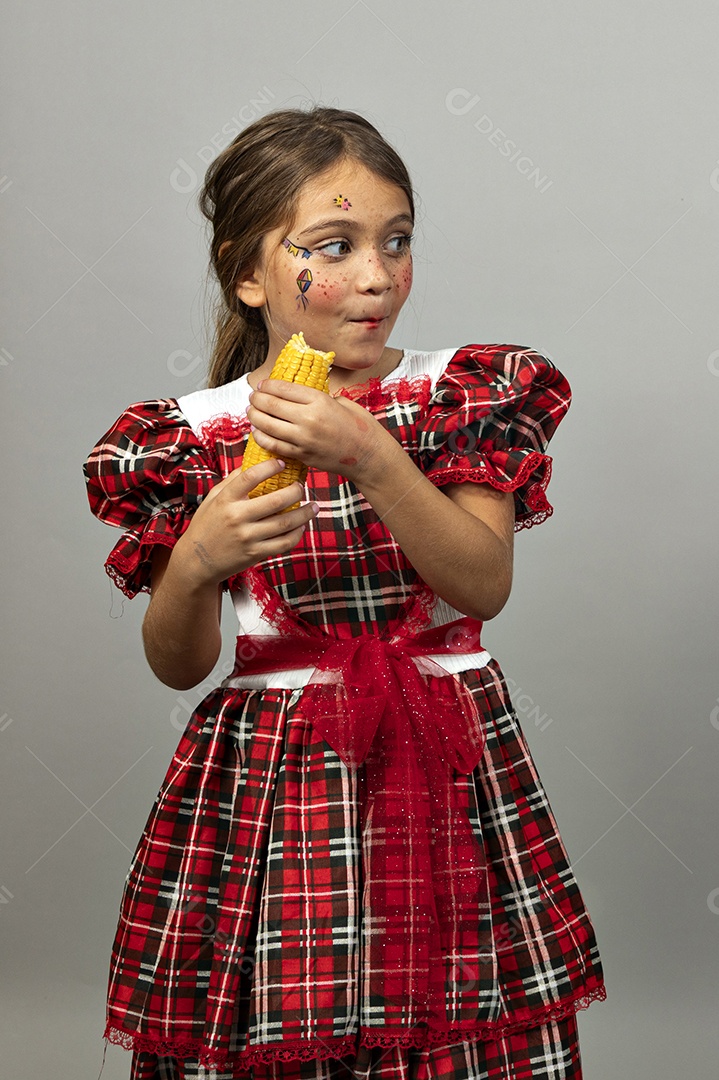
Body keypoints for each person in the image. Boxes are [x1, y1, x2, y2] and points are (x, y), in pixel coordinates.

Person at [84, 106, 606, 1080]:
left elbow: (480, 578)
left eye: (395, 241)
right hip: (277, 778)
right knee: (282, 1016)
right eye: (334, 246)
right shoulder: (195, 435)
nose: (376, 276)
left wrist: (367, 451)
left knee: (458, 1010)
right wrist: (195, 558)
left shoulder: (461, 394)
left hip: (446, 764)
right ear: (250, 275)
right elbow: (179, 663)